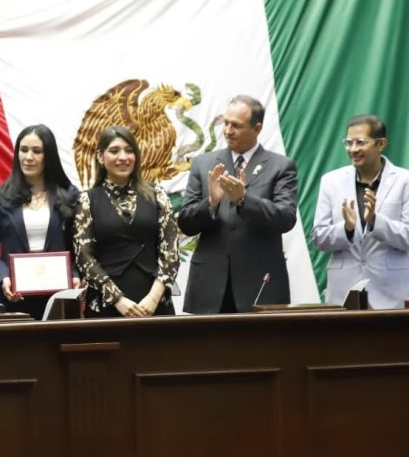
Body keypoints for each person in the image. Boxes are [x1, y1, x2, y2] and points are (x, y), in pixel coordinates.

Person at [178, 95, 298, 313]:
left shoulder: (281, 166)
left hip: (260, 283)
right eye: (225, 123)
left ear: (257, 128)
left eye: (236, 125)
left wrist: (244, 199)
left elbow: (286, 218)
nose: (227, 130)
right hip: (210, 285)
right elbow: (186, 223)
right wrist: (211, 202)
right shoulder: (203, 164)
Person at [73, 126, 179, 317]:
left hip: (155, 305)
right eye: (114, 151)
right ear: (100, 156)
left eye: (129, 151)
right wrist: (118, 300)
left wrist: (153, 298)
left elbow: (170, 252)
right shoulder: (87, 200)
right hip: (106, 306)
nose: (123, 157)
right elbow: (84, 257)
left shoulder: (158, 194)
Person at [0, 125, 79, 320]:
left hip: (59, 298)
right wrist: (4, 277)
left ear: (49, 156)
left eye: (37, 151)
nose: (28, 157)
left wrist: (74, 275)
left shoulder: (70, 195)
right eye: (23, 150)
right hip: (13, 300)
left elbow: (79, 250)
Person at [312, 115, 409, 308]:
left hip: (392, 294)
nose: (353, 149)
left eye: (360, 142)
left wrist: (375, 221)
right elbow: (318, 238)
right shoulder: (331, 181)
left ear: (381, 144)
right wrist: (346, 229)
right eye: (349, 143)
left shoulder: (404, 181)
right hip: (344, 293)